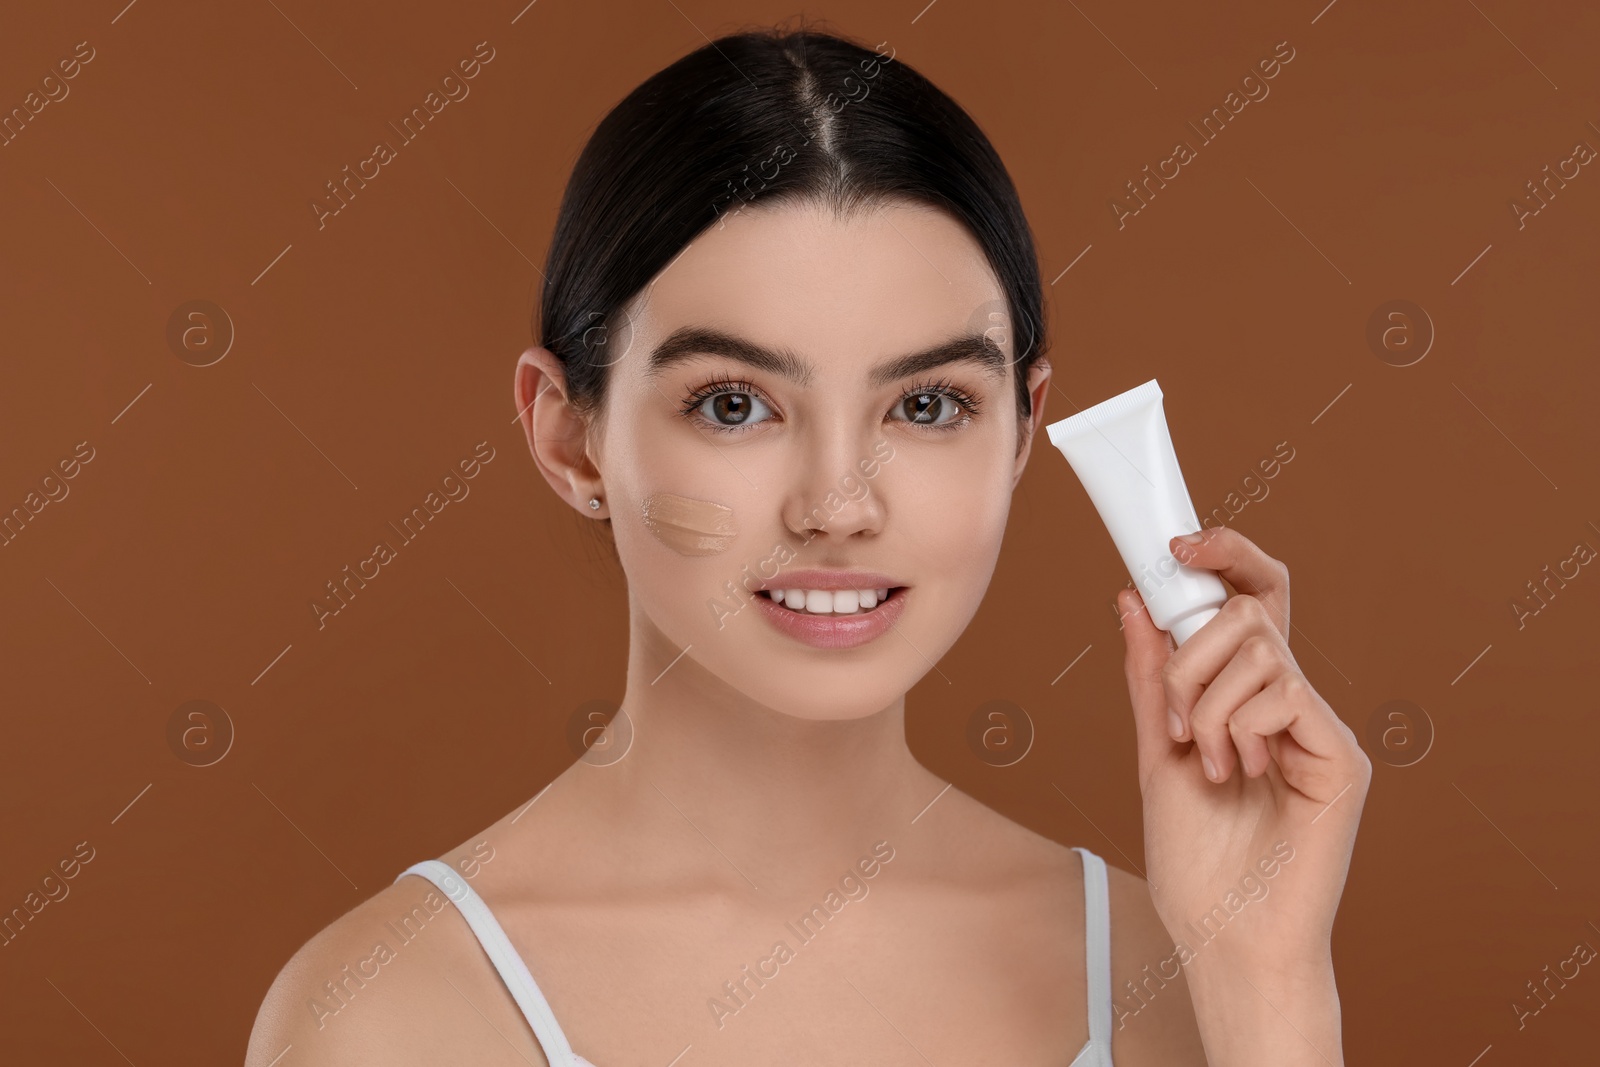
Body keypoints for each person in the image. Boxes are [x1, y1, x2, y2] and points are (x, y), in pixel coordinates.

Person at [247, 19, 1369, 1066]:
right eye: (734, 403)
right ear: (570, 436)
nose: (838, 505)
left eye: (924, 406)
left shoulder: (1168, 972)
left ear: (1022, 430)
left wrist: (1264, 984)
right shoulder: (390, 1010)